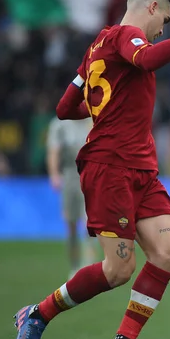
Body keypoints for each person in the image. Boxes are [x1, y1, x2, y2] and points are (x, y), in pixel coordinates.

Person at [12, 0, 170, 339]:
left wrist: (103, 111)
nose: (162, 30)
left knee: (167, 254)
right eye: (166, 21)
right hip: (110, 167)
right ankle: (37, 315)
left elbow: (64, 106)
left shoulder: (96, 48)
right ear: (153, 7)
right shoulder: (128, 36)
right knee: (118, 271)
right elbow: (146, 60)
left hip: (141, 168)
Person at [46, 116, 99, 279]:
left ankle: (89, 265)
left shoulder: (94, 120)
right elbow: (54, 150)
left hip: (92, 174)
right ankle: (75, 266)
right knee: (71, 223)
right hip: (70, 175)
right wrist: (54, 174)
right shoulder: (60, 123)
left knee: (90, 222)